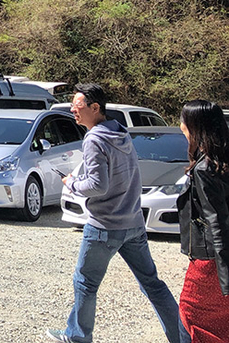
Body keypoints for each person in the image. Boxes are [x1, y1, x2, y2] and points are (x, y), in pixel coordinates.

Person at [45, 82, 180, 343]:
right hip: (133, 223)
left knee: (85, 282)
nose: (73, 109)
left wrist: (71, 183)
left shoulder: (94, 138)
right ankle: (180, 336)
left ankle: (77, 336)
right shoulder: (121, 133)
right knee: (152, 283)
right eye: (73, 104)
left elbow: (98, 185)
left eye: (78, 105)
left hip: (104, 226)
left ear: (95, 108)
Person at [177, 100, 229, 342]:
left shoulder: (204, 168)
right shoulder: (219, 162)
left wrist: (225, 278)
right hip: (217, 260)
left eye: (184, 122)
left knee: (190, 316)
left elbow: (217, 222)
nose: (180, 127)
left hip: (210, 263)